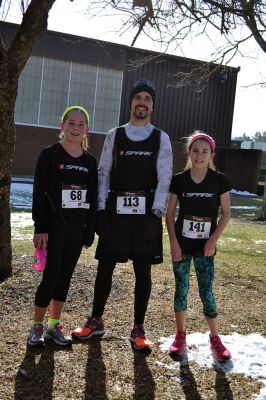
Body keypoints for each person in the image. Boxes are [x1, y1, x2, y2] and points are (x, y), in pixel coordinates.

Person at [72, 79, 173, 350]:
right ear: (131, 102)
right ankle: (95, 320)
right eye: (138, 97)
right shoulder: (114, 135)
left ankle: (138, 328)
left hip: (145, 215)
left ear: (152, 105)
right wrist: (101, 208)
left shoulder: (160, 138)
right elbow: (103, 173)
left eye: (147, 99)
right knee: (105, 268)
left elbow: (165, 179)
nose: (142, 102)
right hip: (115, 212)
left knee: (143, 272)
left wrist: (156, 212)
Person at [27, 106, 98, 347]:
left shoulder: (90, 161)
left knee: (65, 277)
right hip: (53, 227)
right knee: (51, 276)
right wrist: (40, 227)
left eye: (81, 124)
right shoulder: (49, 155)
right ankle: (37, 326)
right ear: (62, 126)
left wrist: (90, 229)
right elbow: (39, 192)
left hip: (76, 229)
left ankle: (53, 326)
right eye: (71, 123)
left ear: (87, 130)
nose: (76, 128)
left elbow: (93, 197)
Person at [166, 131, 232, 362]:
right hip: (182, 247)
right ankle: (180, 336)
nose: (199, 155)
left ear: (211, 154)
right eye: (195, 150)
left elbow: (226, 214)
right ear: (189, 152)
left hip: (206, 248)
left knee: (207, 291)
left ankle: (215, 338)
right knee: (181, 289)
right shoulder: (179, 179)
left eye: (205, 151)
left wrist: (213, 240)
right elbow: (170, 213)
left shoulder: (219, 180)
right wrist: (173, 242)